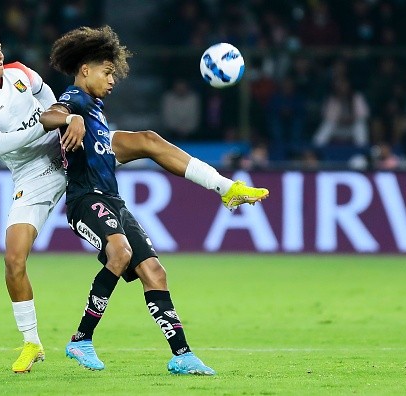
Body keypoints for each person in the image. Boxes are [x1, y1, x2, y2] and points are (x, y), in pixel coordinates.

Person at [39, 25, 269, 375]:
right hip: (84, 201)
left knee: (155, 271)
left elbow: (138, 144)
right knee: (120, 251)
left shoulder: (97, 111)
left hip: (112, 202)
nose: (112, 79)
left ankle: (182, 355)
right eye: (107, 71)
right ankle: (81, 339)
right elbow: (48, 115)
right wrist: (69, 117)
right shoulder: (77, 100)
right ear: (85, 70)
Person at [0, 29, 84, 373]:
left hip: (69, 151)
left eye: (0, 48)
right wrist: (49, 122)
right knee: (13, 260)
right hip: (31, 176)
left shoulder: (21, 72)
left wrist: (62, 121)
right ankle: (32, 343)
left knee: (141, 143)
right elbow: (4, 145)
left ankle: (223, 187)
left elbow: (51, 98)